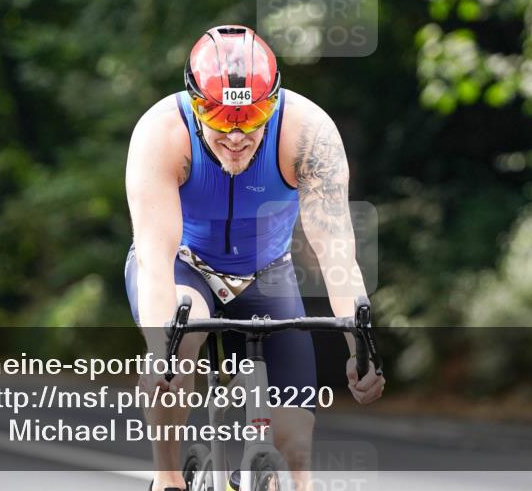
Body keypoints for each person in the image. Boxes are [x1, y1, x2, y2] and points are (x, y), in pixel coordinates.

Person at [124, 25, 384, 491]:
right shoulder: (162, 133)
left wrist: (358, 346)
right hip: (186, 266)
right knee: (179, 346)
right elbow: (154, 259)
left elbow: (336, 247)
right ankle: (167, 478)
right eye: (222, 122)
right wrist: (160, 350)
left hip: (266, 273)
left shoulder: (308, 133)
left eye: (253, 119)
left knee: (295, 445)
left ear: (274, 103)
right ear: (197, 106)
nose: (238, 137)